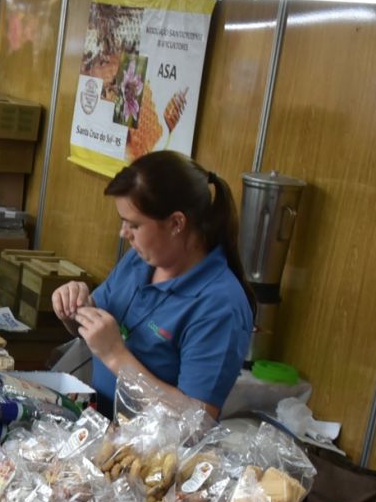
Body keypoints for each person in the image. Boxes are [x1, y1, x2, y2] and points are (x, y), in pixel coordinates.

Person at [52, 150, 255, 416]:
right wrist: (75, 308)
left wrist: (116, 356)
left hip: (150, 452)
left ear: (176, 223)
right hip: (99, 422)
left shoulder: (219, 305)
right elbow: (96, 330)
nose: (123, 234)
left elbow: (197, 422)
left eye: (133, 225)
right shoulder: (142, 260)